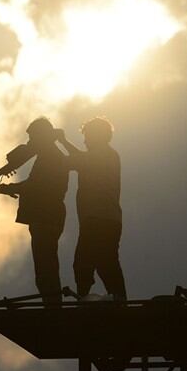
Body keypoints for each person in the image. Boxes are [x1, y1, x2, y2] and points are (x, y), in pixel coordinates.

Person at [0, 117, 69, 304]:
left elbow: (35, 185)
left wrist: (10, 188)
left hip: (46, 215)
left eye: (33, 137)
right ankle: (52, 304)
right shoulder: (50, 156)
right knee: (46, 266)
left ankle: (52, 306)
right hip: (48, 214)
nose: (30, 142)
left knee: (45, 267)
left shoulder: (50, 157)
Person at [57, 117, 127, 302]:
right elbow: (80, 159)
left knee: (84, 263)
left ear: (97, 136)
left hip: (98, 219)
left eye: (87, 136)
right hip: (108, 219)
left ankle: (86, 298)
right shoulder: (107, 155)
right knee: (105, 262)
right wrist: (63, 141)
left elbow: (72, 161)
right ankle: (117, 299)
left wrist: (52, 148)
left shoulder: (100, 156)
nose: (85, 141)